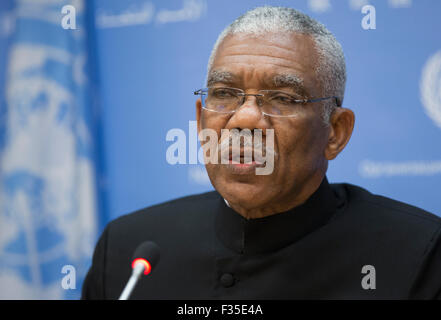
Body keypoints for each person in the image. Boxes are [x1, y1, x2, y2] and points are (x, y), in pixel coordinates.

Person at [82, 6, 441, 299]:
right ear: (200, 118)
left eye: (284, 98)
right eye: (224, 93)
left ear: (335, 131)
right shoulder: (129, 252)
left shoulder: (416, 256)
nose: (246, 118)